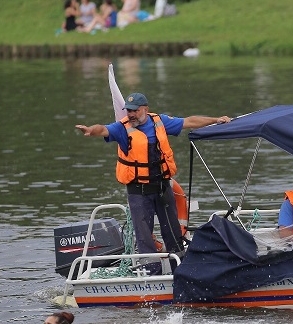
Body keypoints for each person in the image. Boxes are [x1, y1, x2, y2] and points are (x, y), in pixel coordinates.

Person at [75, 92, 231, 274]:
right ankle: (150, 275)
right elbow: (102, 129)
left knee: (173, 233)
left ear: (145, 110)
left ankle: (181, 271)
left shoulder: (159, 121)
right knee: (144, 237)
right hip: (138, 192)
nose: (131, 114)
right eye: (128, 110)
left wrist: (215, 120)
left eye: (134, 110)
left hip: (162, 188)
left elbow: (189, 122)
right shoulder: (122, 128)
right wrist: (90, 130)